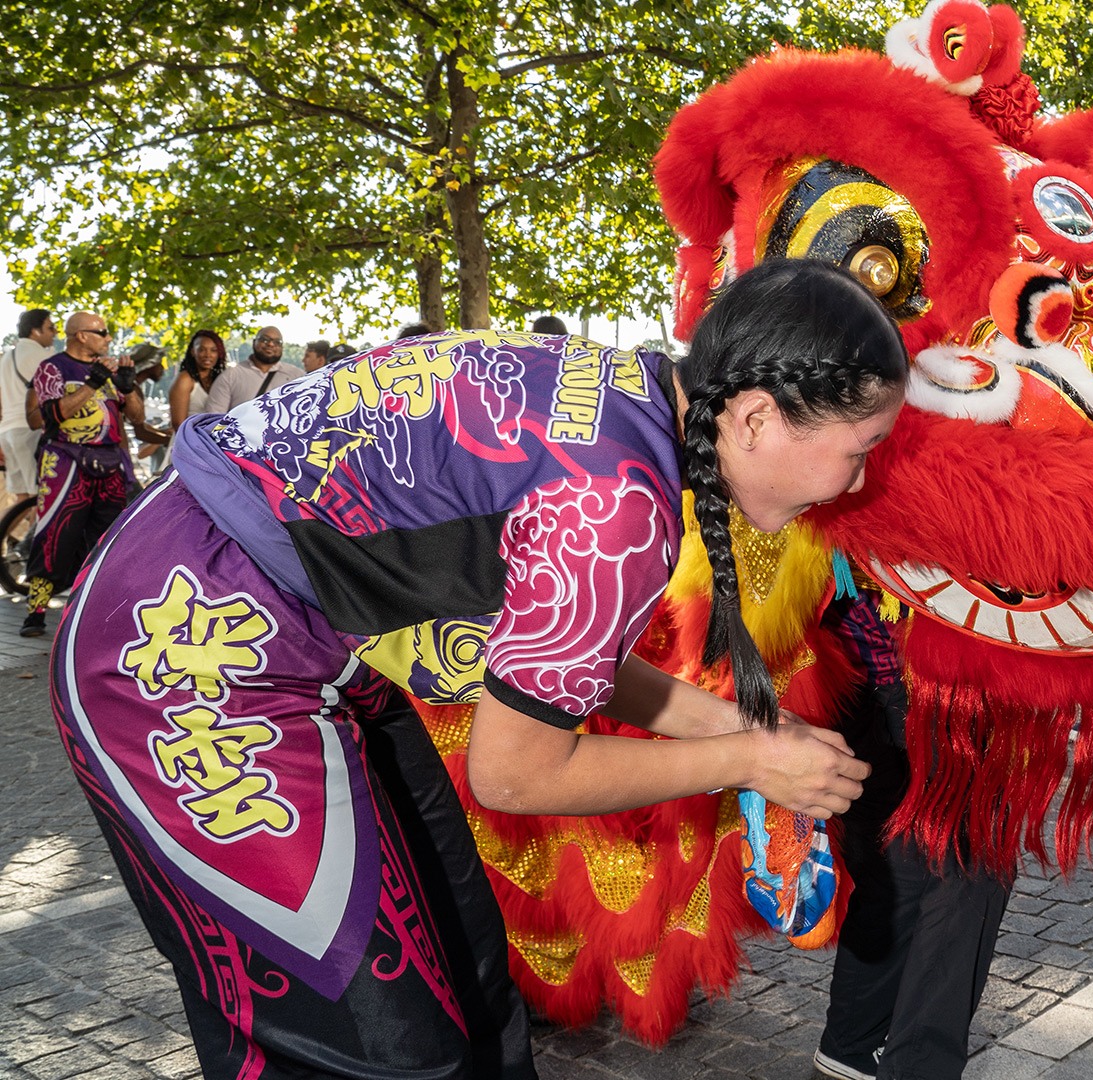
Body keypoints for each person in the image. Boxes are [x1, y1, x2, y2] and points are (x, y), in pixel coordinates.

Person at [50, 260, 904, 1080]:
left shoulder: (620, 397)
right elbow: (516, 773)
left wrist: (736, 725)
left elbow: (555, 653)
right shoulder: (617, 505)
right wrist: (751, 762)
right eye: (859, 448)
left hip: (316, 645)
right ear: (756, 419)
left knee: (470, 977)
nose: (857, 481)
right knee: (381, 1046)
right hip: (180, 651)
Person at [20, 312, 145, 637]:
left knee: (109, 540)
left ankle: (100, 613)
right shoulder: (53, 367)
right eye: (101, 331)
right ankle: (35, 611)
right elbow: (49, 417)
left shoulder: (109, 369)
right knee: (55, 534)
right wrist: (92, 384)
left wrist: (128, 387)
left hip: (109, 463)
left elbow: (137, 418)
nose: (107, 337)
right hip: (65, 461)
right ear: (80, 336)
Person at [4, 308, 58, 506]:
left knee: (21, 499)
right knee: (40, 498)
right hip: (30, 431)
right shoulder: (40, 356)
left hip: (8, 431)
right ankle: (32, 538)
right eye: (50, 328)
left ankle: (6, 534)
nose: (55, 333)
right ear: (35, 331)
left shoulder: (7, 357)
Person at [206, 326, 303, 412]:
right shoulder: (230, 376)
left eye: (277, 342)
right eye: (265, 339)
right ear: (254, 342)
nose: (270, 344)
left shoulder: (297, 377)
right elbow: (214, 418)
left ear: (282, 347)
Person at [170, 330, 227, 430]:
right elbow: (178, 424)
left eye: (213, 350)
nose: (208, 355)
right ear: (193, 351)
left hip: (210, 441)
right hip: (186, 441)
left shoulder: (219, 379)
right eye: (202, 349)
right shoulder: (185, 379)